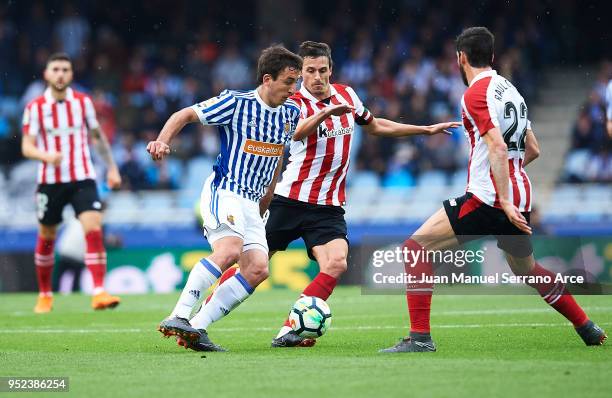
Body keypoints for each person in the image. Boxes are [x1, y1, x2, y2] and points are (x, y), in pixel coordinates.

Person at [197, 41, 460, 349]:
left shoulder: (347, 95)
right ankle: (199, 321)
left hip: (328, 207)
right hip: (288, 200)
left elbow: (374, 126)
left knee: (336, 263)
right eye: (309, 71)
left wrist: (424, 130)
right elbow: (295, 133)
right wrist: (326, 113)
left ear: (331, 70)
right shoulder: (291, 102)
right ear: (300, 73)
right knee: (252, 268)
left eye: (323, 70)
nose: (317, 77)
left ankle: (291, 328)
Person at [380, 27, 607, 353]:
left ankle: (420, 339)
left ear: (461, 58)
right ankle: (585, 325)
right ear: (492, 56)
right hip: (520, 195)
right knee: (527, 269)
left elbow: (497, 148)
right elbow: (534, 148)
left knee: (415, 248)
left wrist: (501, 196)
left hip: (488, 198)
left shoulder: (475, 94)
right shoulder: (510, 91)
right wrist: (510, 187)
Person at [148, 45, 354, 351]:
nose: (294, 88)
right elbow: (185, 114)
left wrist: (262, 209)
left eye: (296, 81)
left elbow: (275, 163)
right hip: (226, 189)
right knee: (229, 249)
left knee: (257, 269)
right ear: (268, 79)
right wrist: (162, 141)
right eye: (289, 81)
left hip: (253, 202)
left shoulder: (290, 113)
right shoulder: (235, 102)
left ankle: (198, 328)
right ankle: (179, 316)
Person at [21, 52, 122, 313]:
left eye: (65, 69)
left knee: (94, 227)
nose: (60, 74)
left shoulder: (83, 103)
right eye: (55, 69)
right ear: (46, 74)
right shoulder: (35, 108)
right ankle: (45, 294)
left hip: (82, 177)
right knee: (47, 236)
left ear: (71, 74)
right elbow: (27, 147)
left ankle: (99, 291)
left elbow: (98, 138)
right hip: (50, 181)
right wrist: (45, 156)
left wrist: (111, 168)